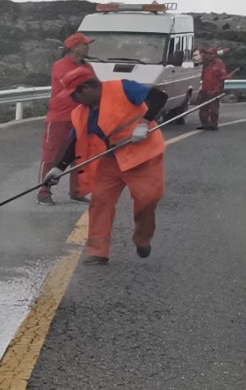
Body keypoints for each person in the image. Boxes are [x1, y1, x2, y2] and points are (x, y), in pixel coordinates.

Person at [66, 73, 167, 263]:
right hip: (111, 160)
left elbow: (159, 97)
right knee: (100, 201)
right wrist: (58, 168)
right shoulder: (81, 112)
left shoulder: (122, 87)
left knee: (147, 201)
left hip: (144, 156)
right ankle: (98, 251)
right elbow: (75, 142)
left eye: (74, 95)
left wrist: (144, 124)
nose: (73, 100)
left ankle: (142, 239)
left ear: (86, 88)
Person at [42, 34, 94, 203]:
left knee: (79, 155)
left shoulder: (87, 67)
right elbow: (71, 82)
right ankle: (43, 193)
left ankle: (77, 191)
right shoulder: (60, 65)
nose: (87, 47)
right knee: (52, 156)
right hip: (60, 118)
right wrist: (86, 72)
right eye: (84, 45)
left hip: (81, 117)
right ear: (74, 47)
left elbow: (94, 87)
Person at [197, 46, 228, 129]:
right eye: (208, 53)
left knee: (214, 109)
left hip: (214, 90)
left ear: (214, 54)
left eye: (210, 54)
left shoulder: (219, 63)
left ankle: (213, 124)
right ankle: (205, 124)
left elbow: (223, 76)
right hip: (204, 89)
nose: (208, 55)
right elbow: (196, 57)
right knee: (203, 108)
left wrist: (219, 89)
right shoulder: (205, 62)